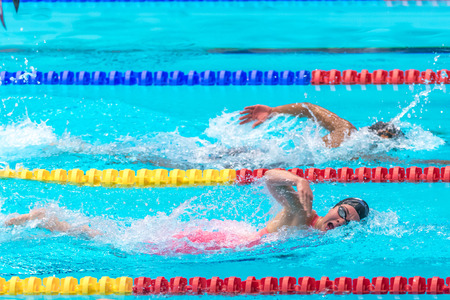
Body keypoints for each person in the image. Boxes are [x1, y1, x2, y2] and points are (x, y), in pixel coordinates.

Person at [4, 170, 369, 246]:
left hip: (222, 240)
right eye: (342, 213)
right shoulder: (302, 215)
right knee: (108, 240)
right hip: (210, 243)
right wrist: (298, 179)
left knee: (105, 235)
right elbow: (271, 179)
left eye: (347, 223)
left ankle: (42, 218)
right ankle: (41, 217)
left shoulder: (309, 230)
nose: (340, 222)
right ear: (334, 206)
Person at [239, 102, 404, 148]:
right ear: (380, 134)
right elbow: (309, 108)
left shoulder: (345, 130)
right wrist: (273, 110)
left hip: (277, 156)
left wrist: (274, 110)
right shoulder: (347, 132)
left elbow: (308, 108)